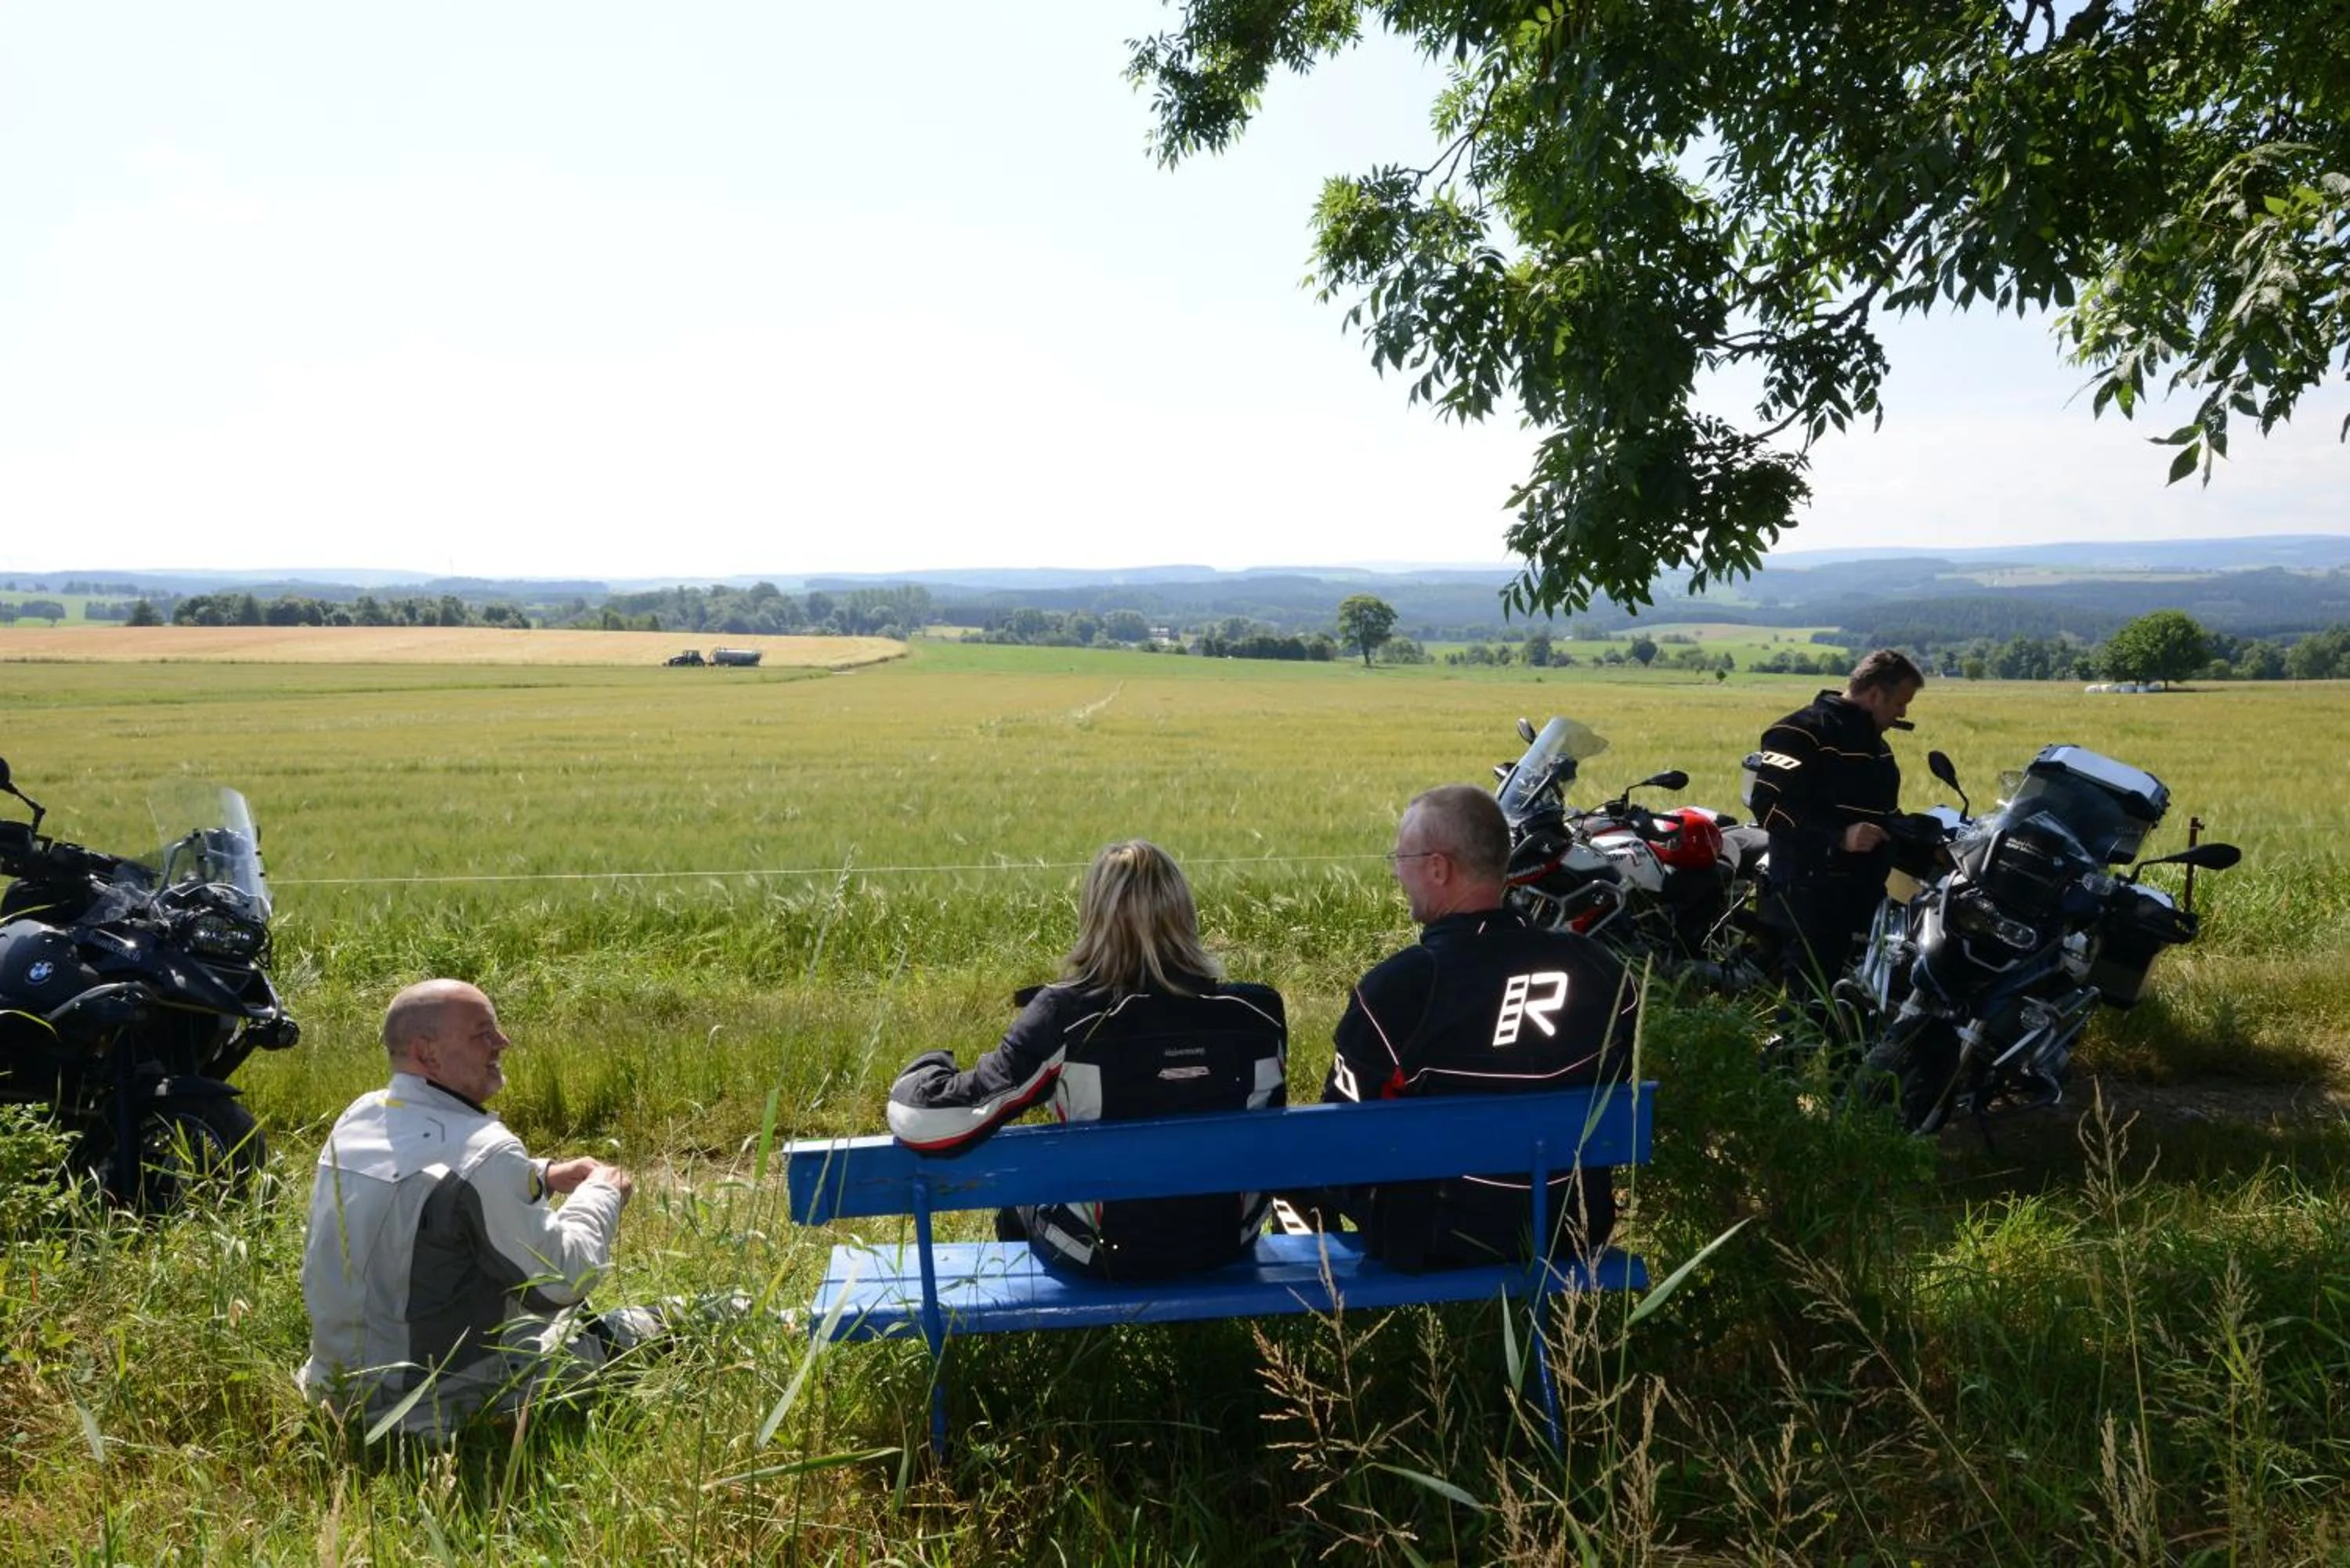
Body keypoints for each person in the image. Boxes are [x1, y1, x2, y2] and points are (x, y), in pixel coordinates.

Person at [887, 840, 1287, 1281]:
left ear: (1094, 918)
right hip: (1224, 1245)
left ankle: (1036, 1320)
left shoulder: (1064, 1016)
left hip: (1102, 1257)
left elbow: (933, 1121)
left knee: (1021, 1196)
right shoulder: (1260, 1014)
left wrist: (927, 1068)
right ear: (1184, 914)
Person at [1284, 785, 1637, 1272]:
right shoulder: (1599, 967)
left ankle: (1320, 1300)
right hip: (1571, 1226)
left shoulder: (1403, 986)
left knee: (1292, 1154)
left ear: (1438, 868)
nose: (1396, 871)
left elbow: (1340, 1133)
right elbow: (1623, 1076)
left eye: (1401, 857)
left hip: (1440, 1237)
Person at [298, 979, 651, 1442]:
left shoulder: (360, 1116)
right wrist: (601, 1194)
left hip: (335, 1389)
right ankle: (738, 1314)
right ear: (427, 1053)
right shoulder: (485, 1152)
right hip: (429, 1405)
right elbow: (561, 1281)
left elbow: (426, 1184)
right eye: (483, 1033)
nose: (502, 1042)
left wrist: (542, 1175)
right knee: (640, 1324)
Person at [1747, 649, 1926, 1013]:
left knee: (1858, 1004)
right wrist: (1839, 838)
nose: (1903, 714)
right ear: (1875, 694)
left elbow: (1884, 818)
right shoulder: (1799, 731)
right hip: (1811, 893)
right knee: (1809, 1003)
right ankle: (1790, 1053)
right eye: (1900, 703)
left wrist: (1930, 844)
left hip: (1865, 894)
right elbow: (1768, 807)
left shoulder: (1878, 747)